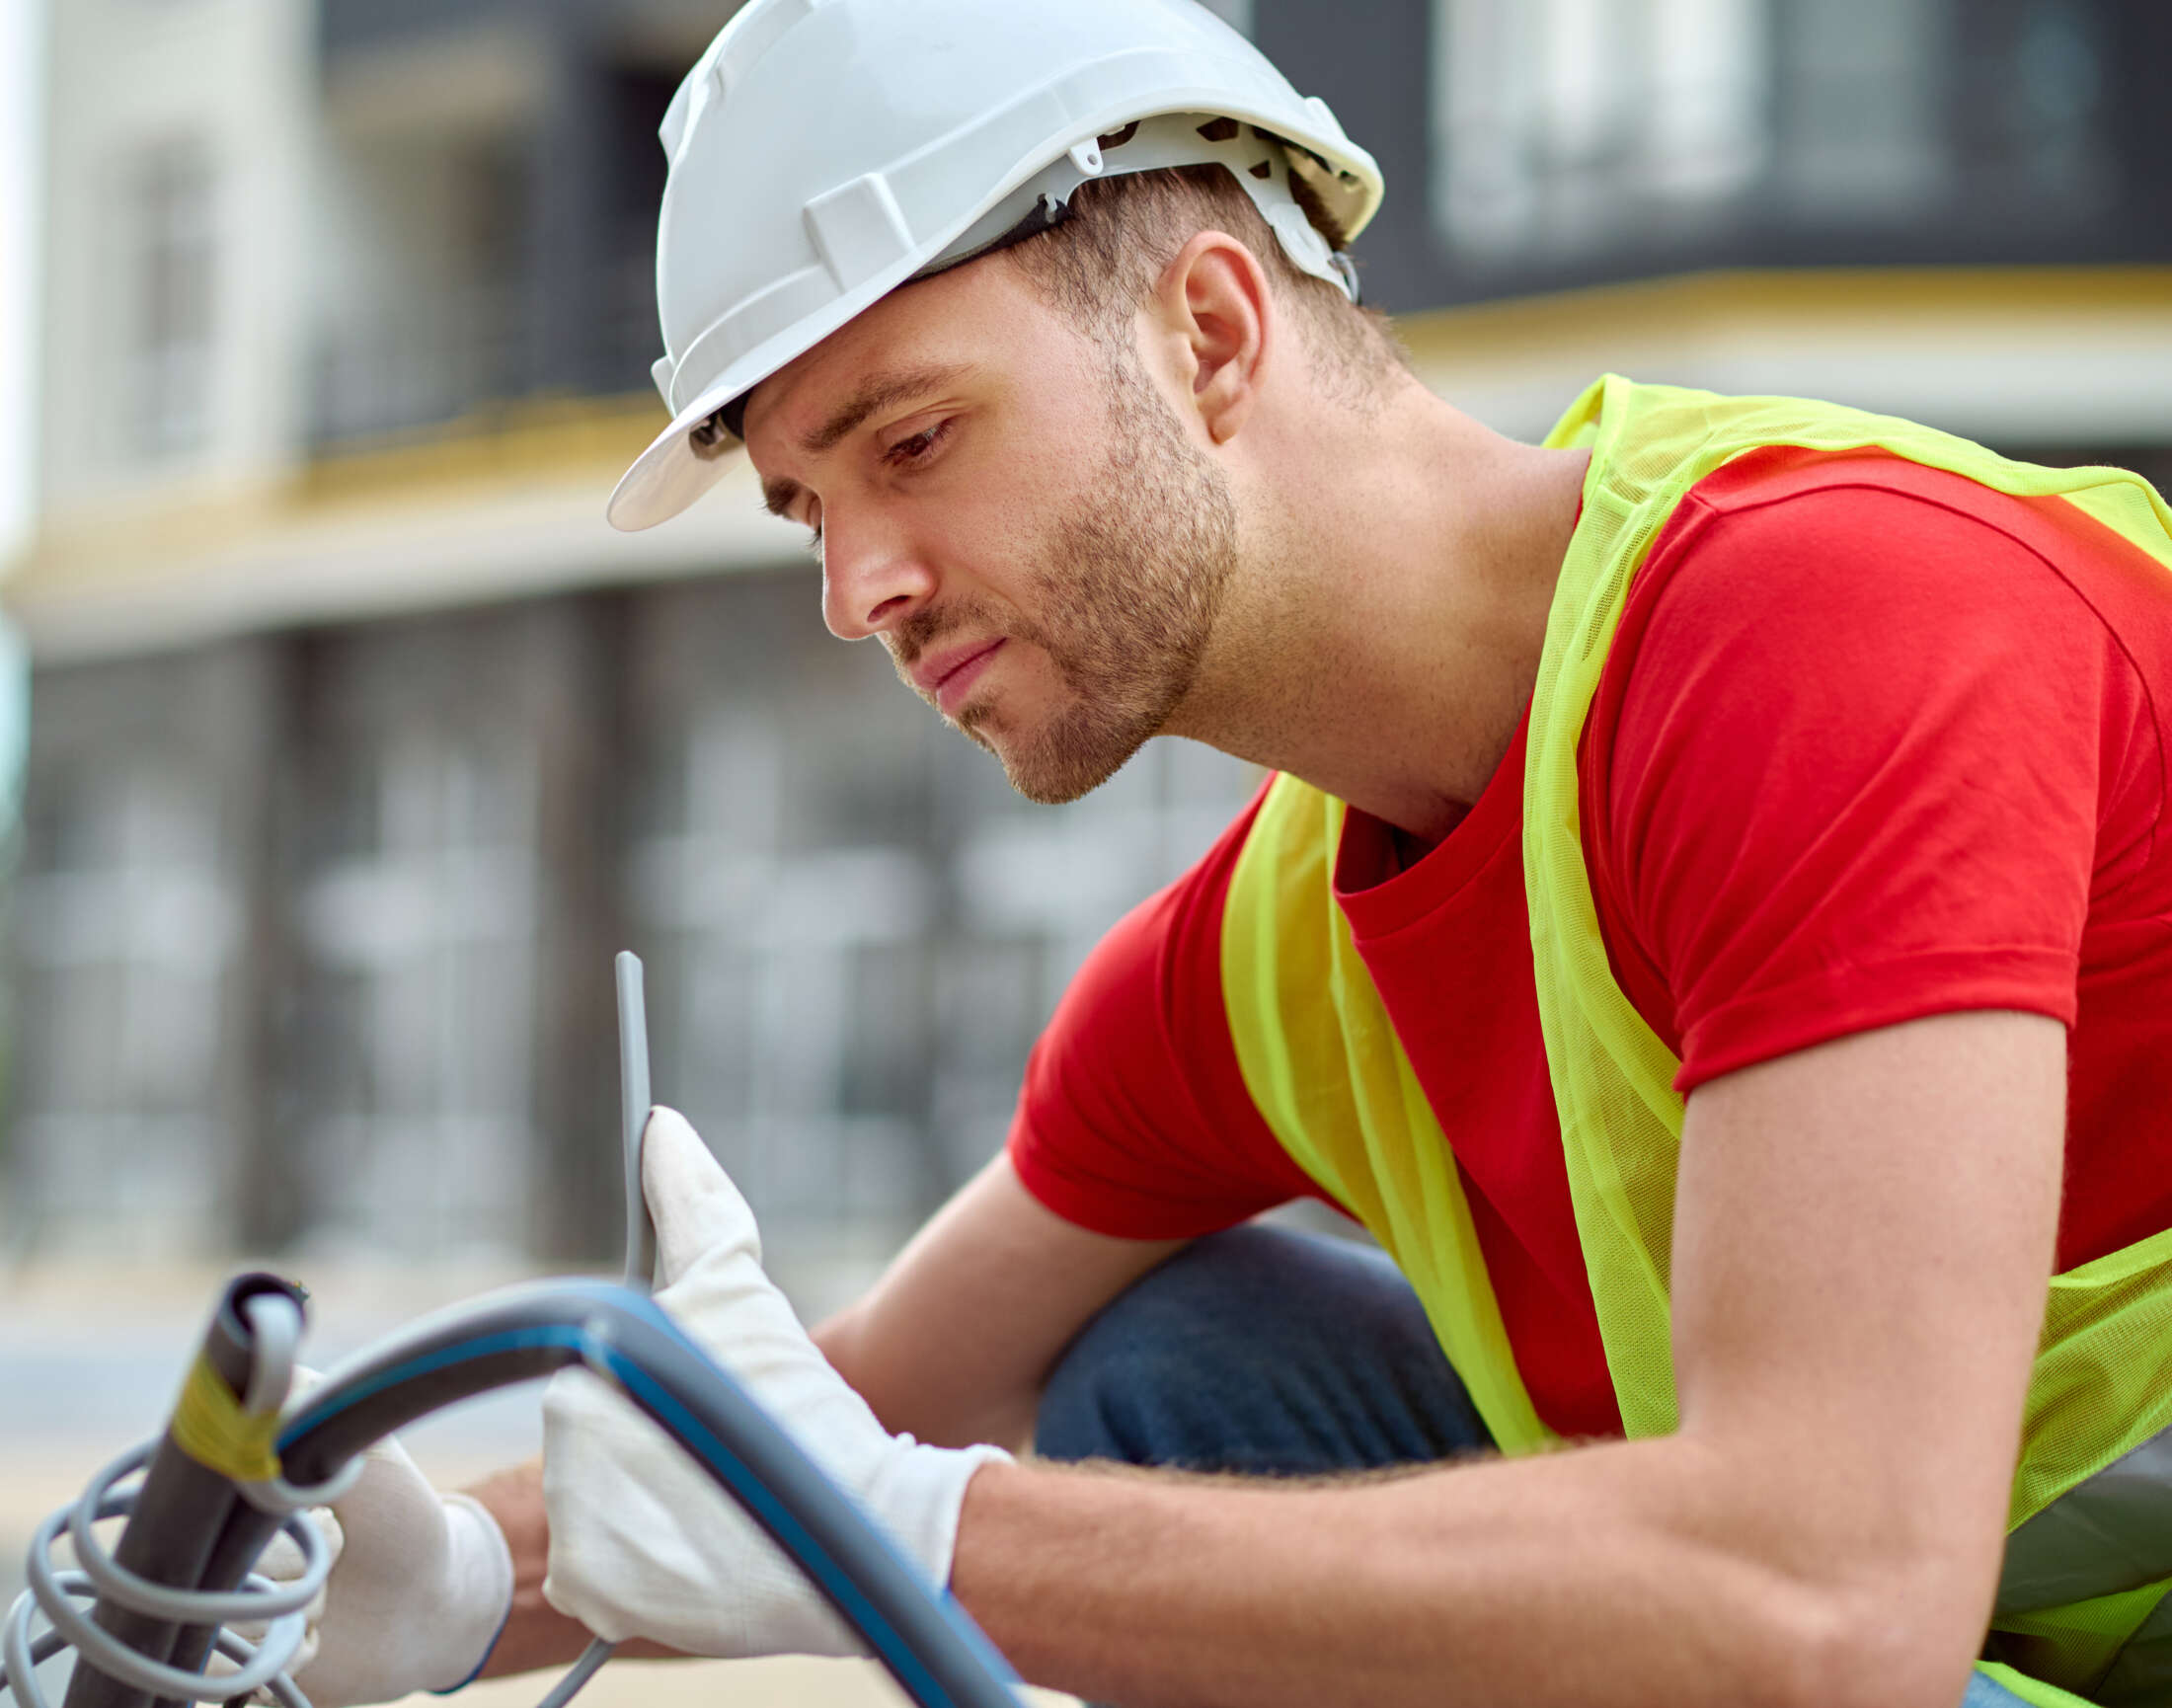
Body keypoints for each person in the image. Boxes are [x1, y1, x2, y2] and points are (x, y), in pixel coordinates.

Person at [274, 2, 2172, 1705]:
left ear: (1207, 330)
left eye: (914, 441)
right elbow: (855, 1403)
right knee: (1169, 1368)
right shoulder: (1259, 969)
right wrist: (436, 1578)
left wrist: (926, 1540)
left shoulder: (1828, 633)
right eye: (807, 512)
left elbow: (1826, 1609)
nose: (860, 592)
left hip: (1877, 1617)